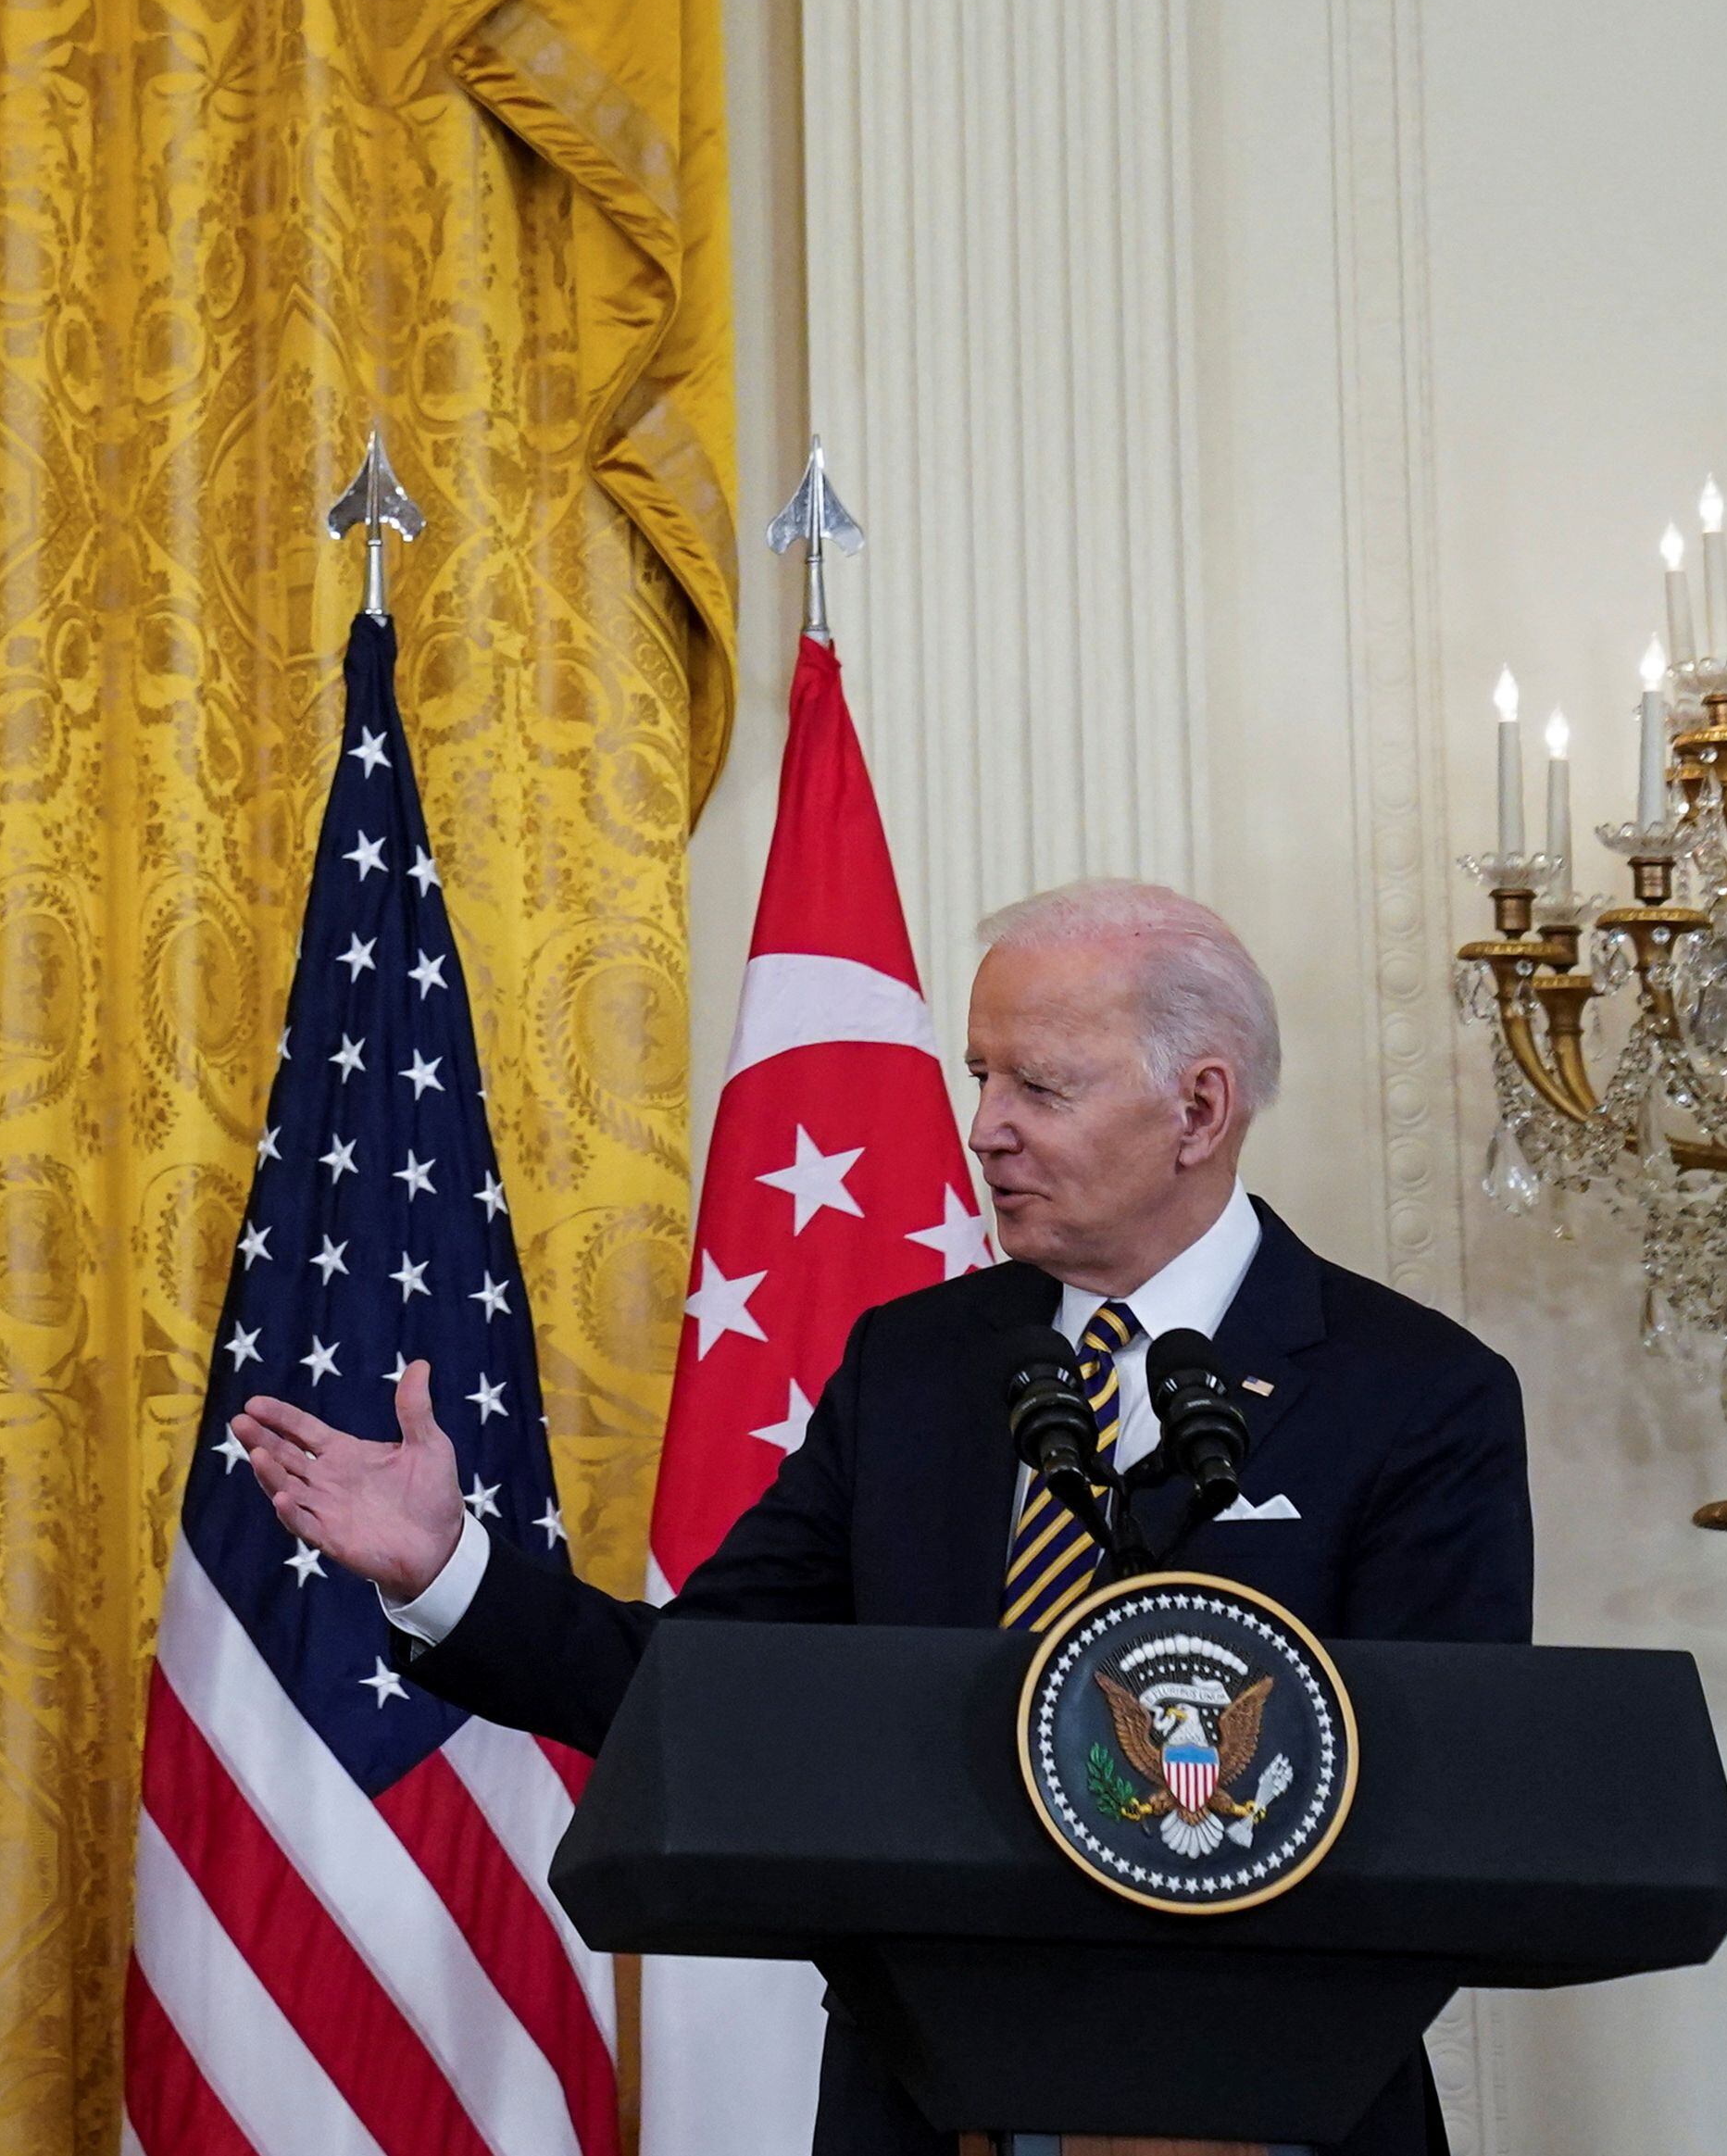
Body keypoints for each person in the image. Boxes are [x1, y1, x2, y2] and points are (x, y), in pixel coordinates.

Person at [234, 879, 1528, 2156]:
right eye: (978, 1076)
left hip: (1271, 2116)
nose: (983, 1128)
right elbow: (708, 1690)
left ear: (1197, 1108)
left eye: (1038, 1086)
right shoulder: (914, 1366)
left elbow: (1431, 1800)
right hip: (925, 2110)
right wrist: (446, 1566)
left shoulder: (1414, 1393)